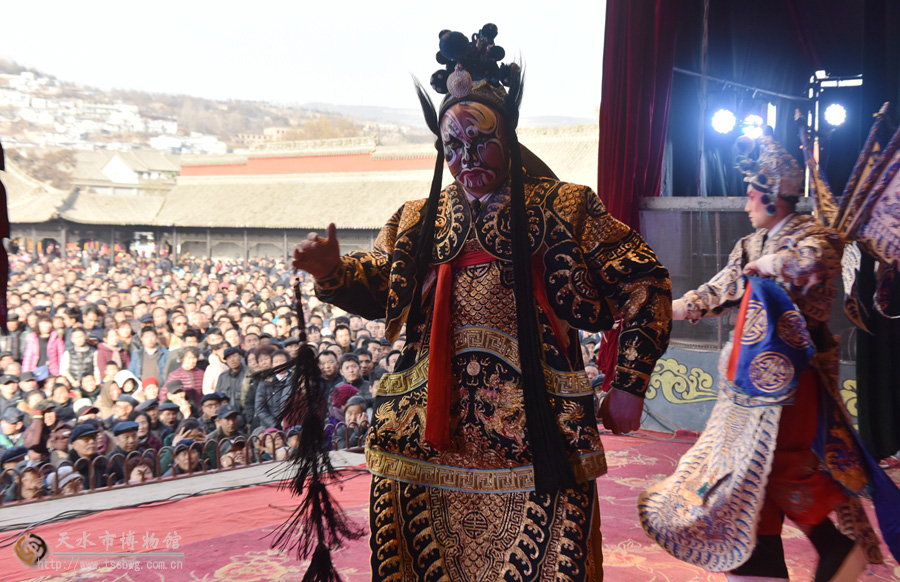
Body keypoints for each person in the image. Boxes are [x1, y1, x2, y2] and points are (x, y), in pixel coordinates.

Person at [291, 25, 671, 579]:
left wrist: (630, 382)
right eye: (452, 147)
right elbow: (380, 286)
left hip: (535, 434)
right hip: (425, 437)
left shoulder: (564, 206)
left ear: (508, 138)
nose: (466, 156)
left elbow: (643, 281)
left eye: (479, 141)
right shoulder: (416, 218)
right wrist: (333, 272)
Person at [640, 130, 896, 581]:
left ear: (773, 197)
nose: (746, 203)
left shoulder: (816, 236)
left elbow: (813, 262)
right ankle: (762, 563)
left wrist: (772, 265)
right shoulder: (749, 245)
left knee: (774, 463)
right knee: (747, 473)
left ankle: (835, 546)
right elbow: (715, 293)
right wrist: (658, 309)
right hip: (748, 383)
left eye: (751, 193)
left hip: (796, 380)